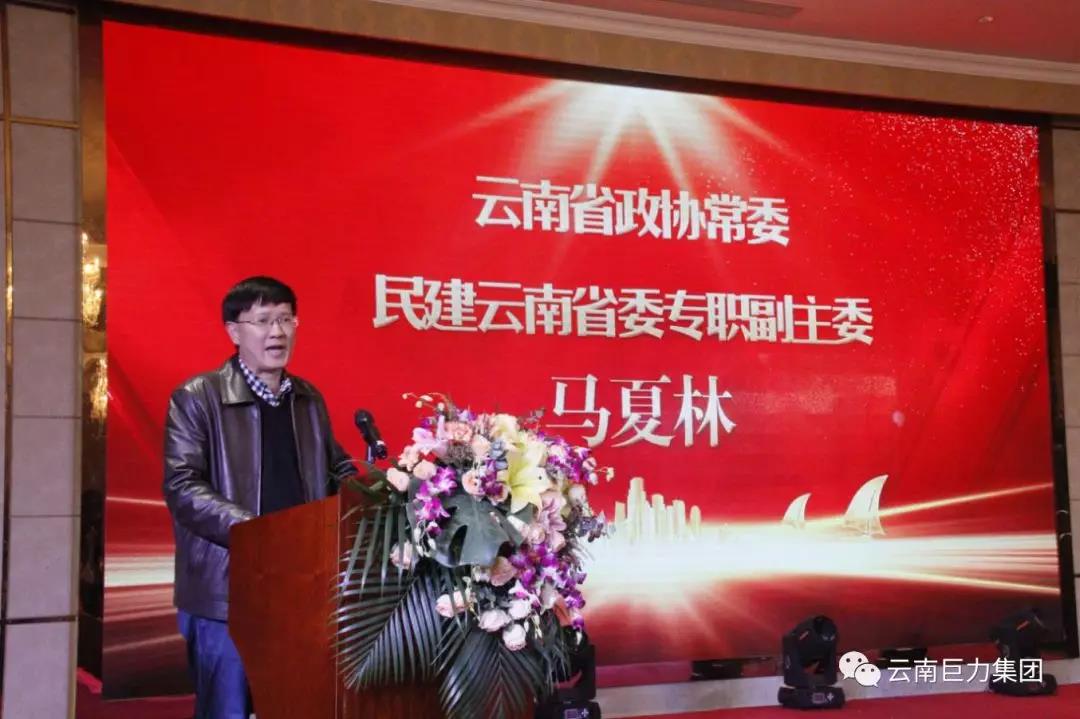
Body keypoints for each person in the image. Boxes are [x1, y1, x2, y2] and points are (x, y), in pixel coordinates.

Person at [163, 276, 355, 718]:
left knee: (296, 704)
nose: (277, 332)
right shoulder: (197, 397)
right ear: (234, 331)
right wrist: (258, 534)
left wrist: (375, 488)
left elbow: (336, 468)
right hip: (226, 590)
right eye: (264, 320)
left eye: (286, 319)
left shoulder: (307, 399)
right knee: (227, 710)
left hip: (301, 582)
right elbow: (182, 486)